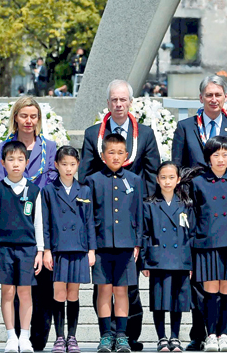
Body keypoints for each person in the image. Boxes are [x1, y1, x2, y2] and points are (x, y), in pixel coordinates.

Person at [0, 97, 59, 352]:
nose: (28, 121)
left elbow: (52, 179)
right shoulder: (5, 147)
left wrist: (32, 193)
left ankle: (36, 336)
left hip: (41, 220)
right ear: (16, 118)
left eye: (33, 116)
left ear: (38, 119)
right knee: (13, 289)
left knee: (41, 285)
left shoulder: (49, 147)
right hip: (13, 222)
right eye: (24, 116)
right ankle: (15, 335)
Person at [188, 137, 227, 353]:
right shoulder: (198, 183)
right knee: (210, 291)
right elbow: (193, 216)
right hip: (207, 242)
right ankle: (211, 335)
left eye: (225, 154)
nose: (221, 159)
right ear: (208, 158)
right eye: (216, 155)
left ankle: (225, 335)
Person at [87, 132, 145, 353]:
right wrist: (91, 246)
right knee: (104, 290)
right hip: (101, 245)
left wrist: (137, 242)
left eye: (120, 152)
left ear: (127, 155)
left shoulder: (134, 180)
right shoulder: (93, 180)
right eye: (111, 152)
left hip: (126, 244)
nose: (116, 156)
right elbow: (89, 216)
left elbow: (138, 212)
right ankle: (105, 335)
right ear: (103, 155)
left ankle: (121, 335)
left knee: (122, 291)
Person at [0, 141, 45, 353]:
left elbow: (38, 222)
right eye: (11, 159)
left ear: (27, 162)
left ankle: (25, 336)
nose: (15, 164)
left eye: (20, 159)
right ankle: (11, 336)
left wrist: (40, 251)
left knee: (25, 292)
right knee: (8, 292)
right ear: (3, 163)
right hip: (4, 249)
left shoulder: (34, 190)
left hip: (27, 249)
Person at [42, 146, 96, 353]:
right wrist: (47, 250)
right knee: (59, 293)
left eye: (72, 164)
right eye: (64, 164)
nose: (68, 168)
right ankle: (59, 337)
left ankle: (72, 337)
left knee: (73, 293)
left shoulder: (84, 190)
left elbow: (89, 222)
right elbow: (45, 223)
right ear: (56, 165)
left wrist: (91, 250)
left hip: (79, 247)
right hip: (58, 248)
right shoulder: (49, 190)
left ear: (78, 165)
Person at [142, 162, 194, 353]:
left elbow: (192, 234)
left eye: (171, 177)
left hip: (180, 258)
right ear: (157, 179)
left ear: (178, 180)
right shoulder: (149, 204)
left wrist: (190, 262)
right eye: (163, 177)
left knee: (177, 301)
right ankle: (162, 338)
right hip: (158, 259)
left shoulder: (186, 204)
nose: (167, 181)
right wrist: (145, 261)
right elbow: (145, 234)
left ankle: (175, 336)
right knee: (159, 301)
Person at [172, 76, 227, 183]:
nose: (214, 100)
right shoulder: (185, 127)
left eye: (218, 95)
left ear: (225, 97)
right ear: (201, 98)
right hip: (194, 189)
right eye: (209, 95)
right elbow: (177, 167)